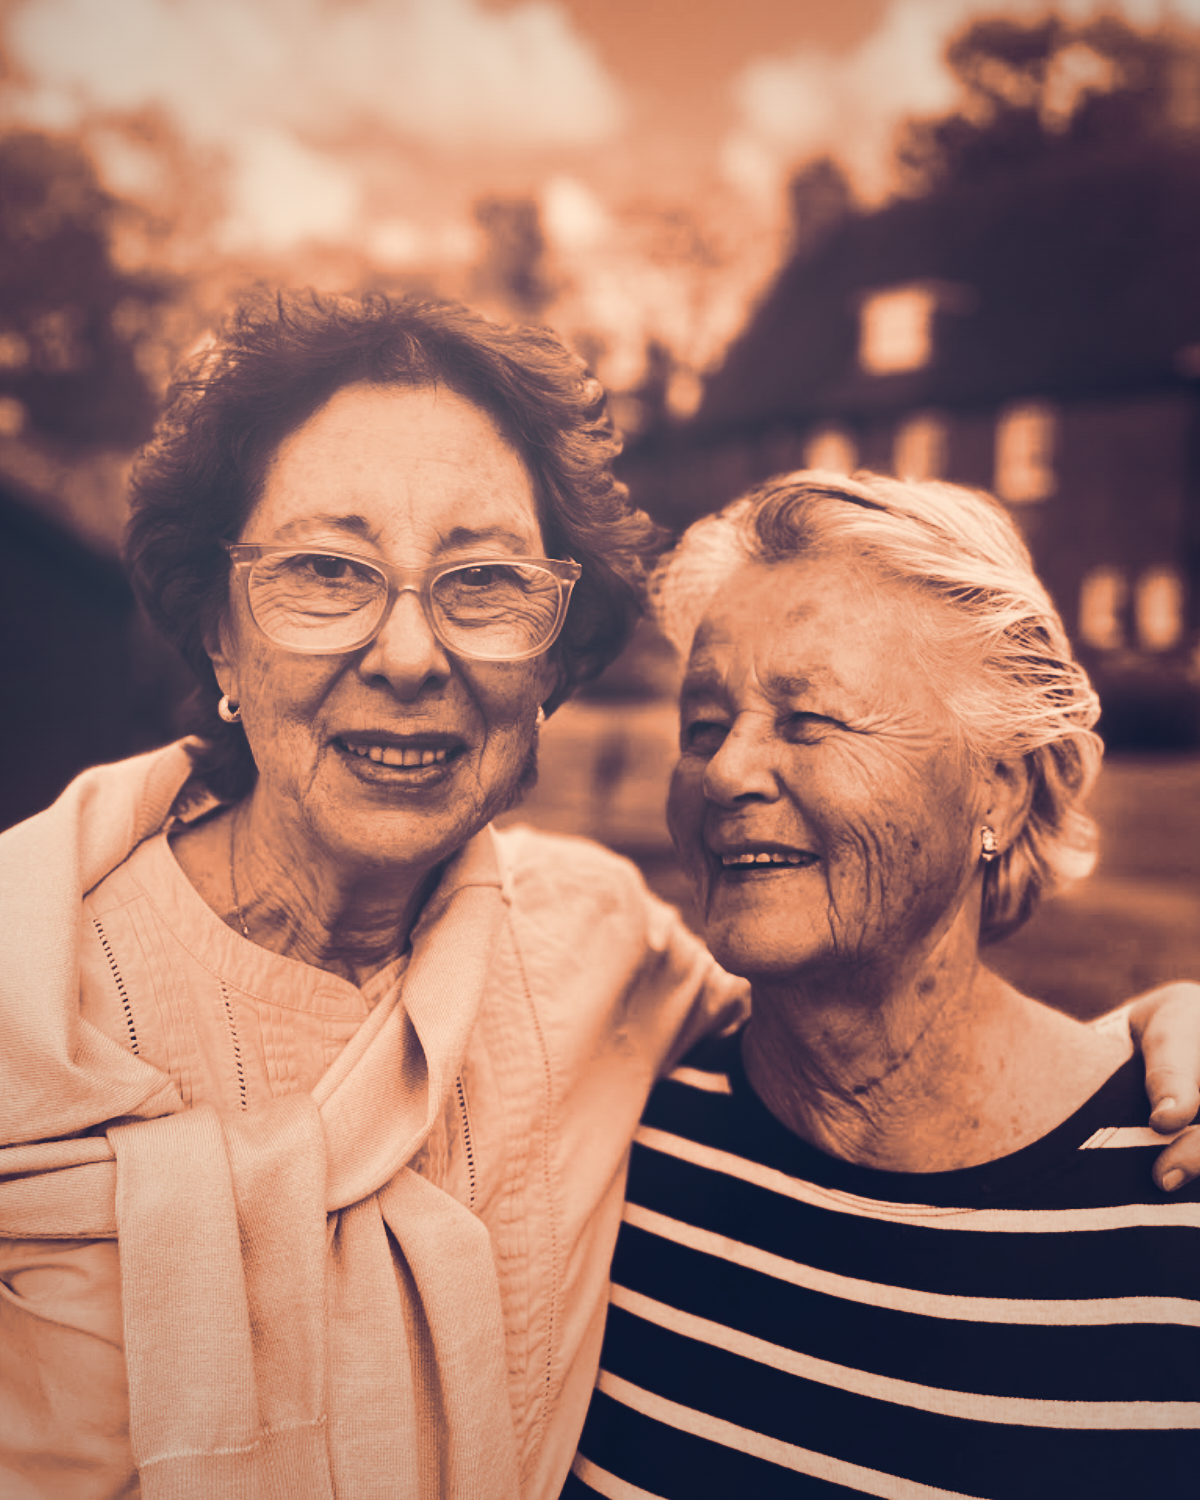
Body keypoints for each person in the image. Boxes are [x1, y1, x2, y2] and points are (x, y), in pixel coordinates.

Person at [0, 297, 1193, 1500]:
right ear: (218, 632)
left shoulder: (597, 961)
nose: (410, 655)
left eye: (482, 583)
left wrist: (1160, 1032)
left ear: (549, 667)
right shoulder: (33, 982)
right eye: (325, 570)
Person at [566, 471, 1200, 1500]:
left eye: (807, 718)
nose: (726, 772)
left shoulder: (1173, 1199)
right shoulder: (614, 1151)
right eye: (703, 724)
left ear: (998, 782)